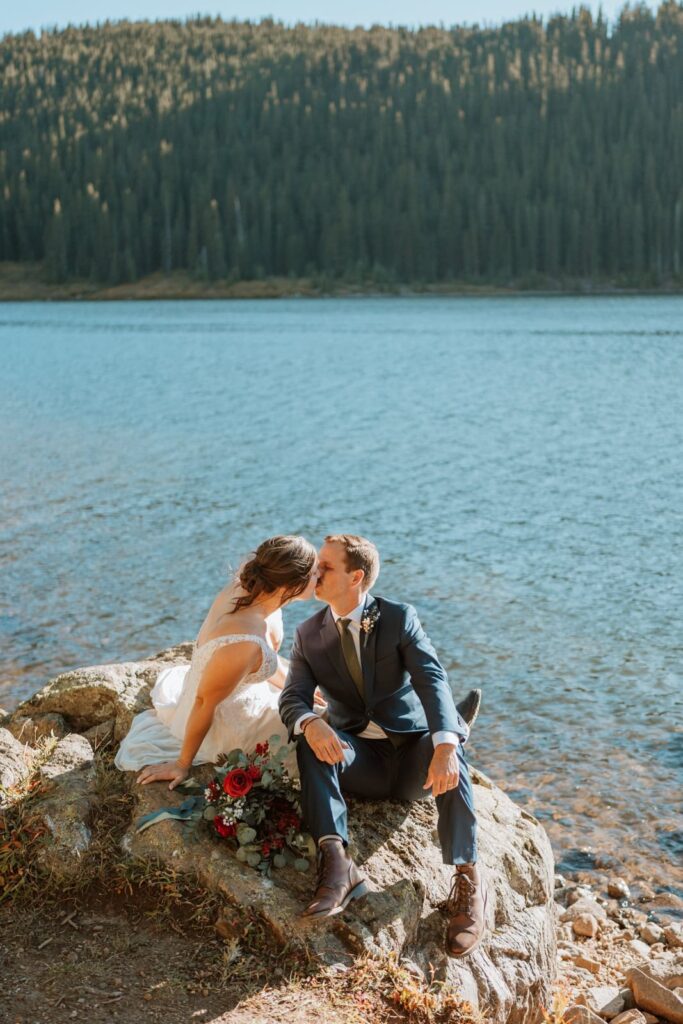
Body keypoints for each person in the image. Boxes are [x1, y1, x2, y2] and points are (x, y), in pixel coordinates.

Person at [278, 534, 486, 958]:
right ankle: (337, 867)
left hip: (413, 757)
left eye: (326, 566)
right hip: (362, 760)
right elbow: (292, 696)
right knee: (312, 740)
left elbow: (431, 679)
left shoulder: (397, 618)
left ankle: (469, 879)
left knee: (450, 742)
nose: (314, 571)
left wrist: (445, 744)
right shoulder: (308, 633)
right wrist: (309, 722)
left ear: (356, 577)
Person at [115, 535, 319, 787]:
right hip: (226, 725)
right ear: (289, 586)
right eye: (314, 573)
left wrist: (293, 684)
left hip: (236, 689)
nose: (320, 576)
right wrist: (181, 764)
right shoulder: (244, 641)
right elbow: (203, 702)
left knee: (318, 699)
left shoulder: (255, 588)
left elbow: (265, 661)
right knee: (320, 727)